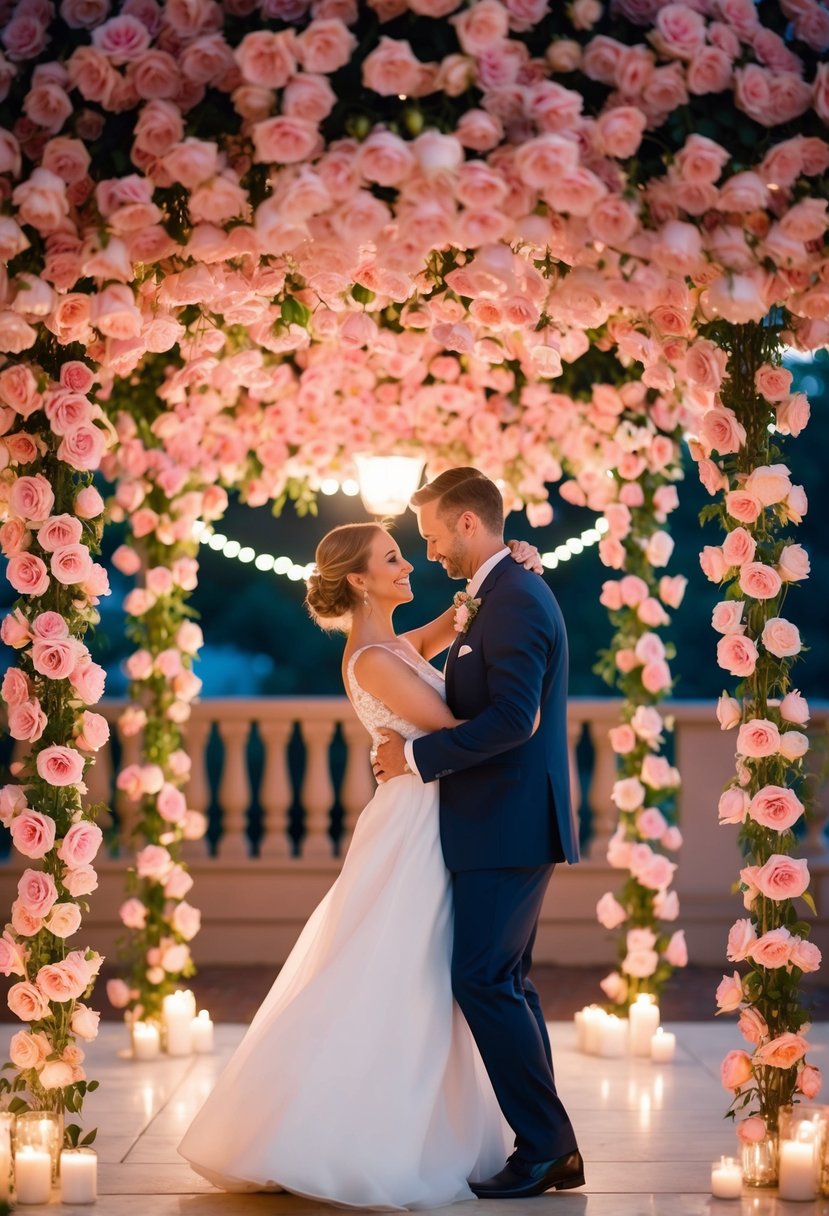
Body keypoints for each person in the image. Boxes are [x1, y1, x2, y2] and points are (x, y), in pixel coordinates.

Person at [177, 518, 545, 1209]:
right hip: (414, 825)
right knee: (398, 968)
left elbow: (455, 619)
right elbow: (459, 727)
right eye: (392, 558)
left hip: (429, 814)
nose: (409, 565)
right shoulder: (373, 658)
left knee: (423, 973)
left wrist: (507, 566)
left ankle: (424, 1126)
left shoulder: (393, 644)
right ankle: (349, 1134)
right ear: (358, 579)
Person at [374, 467, 583, 1200]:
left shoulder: (515, 598)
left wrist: (415, 757)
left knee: (482, 978)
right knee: (504, 981)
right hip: (499, 822)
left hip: (509, 821)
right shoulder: (494, 593)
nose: (429, 552)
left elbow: (512, 720)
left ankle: (547, 1146)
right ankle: (547, 1145)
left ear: (468, 523)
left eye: (432, 537)